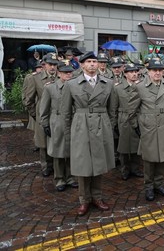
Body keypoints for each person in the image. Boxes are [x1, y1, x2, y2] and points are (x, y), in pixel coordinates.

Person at [60, 51, 115, 216]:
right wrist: (70, 134)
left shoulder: (108, 83)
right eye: (89, 61)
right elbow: (66, 113)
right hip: (81, 126)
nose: (92, 64)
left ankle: (97, 197)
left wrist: (107, 126)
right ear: (82, 65)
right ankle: (84, 200)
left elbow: (112, 110)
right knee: (83, 165)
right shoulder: (72, 84)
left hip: (101, 124)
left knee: (99, 163)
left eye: (94, 61)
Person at [131, 59, 164, 201]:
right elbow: (132, 110)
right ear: (148, 71)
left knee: (163, 158)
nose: (157, 73)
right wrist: (136, 126)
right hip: (148, 128)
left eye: (160, 70)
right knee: (149, 160)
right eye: (154, 70)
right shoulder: (140, 87)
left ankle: (159, 184)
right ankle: (149, 186)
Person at [39, 60, 78, 191]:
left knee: (71, 151)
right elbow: (44, 108)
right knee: (58, 152)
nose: (68, 75)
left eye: (70, 72)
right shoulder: (50, 87)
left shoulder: (75, 86)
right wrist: (45, 124)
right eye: (65, 73)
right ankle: (59, 179)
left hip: (72, 120)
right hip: (57, 122)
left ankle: (70, 177)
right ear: (59, 73)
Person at [24, 53, 58, 177]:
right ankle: (46, 166)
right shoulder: (36, 78)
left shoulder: (61, 77)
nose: (53, 67)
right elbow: (29, 100)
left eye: (55, 64)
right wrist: (35, 115)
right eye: (50, 64)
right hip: (42, 114)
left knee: (56, 140)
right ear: (44, 65)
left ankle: (57, 166)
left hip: (57, 115)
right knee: (43, 142)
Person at [110, 63, 144, 181]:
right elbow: (113, 107)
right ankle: (125, 169)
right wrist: (113, 124)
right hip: (123, 119)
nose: (134, 74)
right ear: (125, 74)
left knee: (137, 145)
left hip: (138, 118)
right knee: (123, 147)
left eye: (136, 71)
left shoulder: (141, 86)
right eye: (131, 72)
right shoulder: (118, 88)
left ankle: (135, 168)